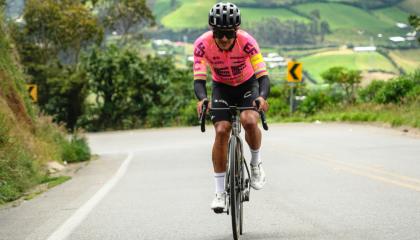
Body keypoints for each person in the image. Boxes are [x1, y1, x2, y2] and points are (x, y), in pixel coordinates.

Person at [193, 2, 270, 213]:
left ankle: (255, 163)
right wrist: (201, 99)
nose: (224, 39)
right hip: (222, 87)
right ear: (212, 31)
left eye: (228, 33)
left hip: (247, 85)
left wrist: (262, 97)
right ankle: (219, 192)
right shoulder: (202, 45)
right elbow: (199, 80)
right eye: (219, 33)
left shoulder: (247, 42)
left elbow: (263, 76)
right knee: (221, 130)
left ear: (236, 31)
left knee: (249, 120)